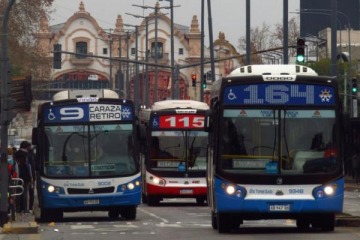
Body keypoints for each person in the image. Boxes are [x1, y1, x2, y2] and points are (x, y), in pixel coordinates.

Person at [14, 141, 32, 214]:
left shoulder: (16, 154)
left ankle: (17, 208)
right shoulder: (27, 154)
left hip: (17, 175)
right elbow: (29, 167)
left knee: (18, 192)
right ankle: (24, 209)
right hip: (26, 176)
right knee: (25, 193)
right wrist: (31, 177)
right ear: (26, 147)